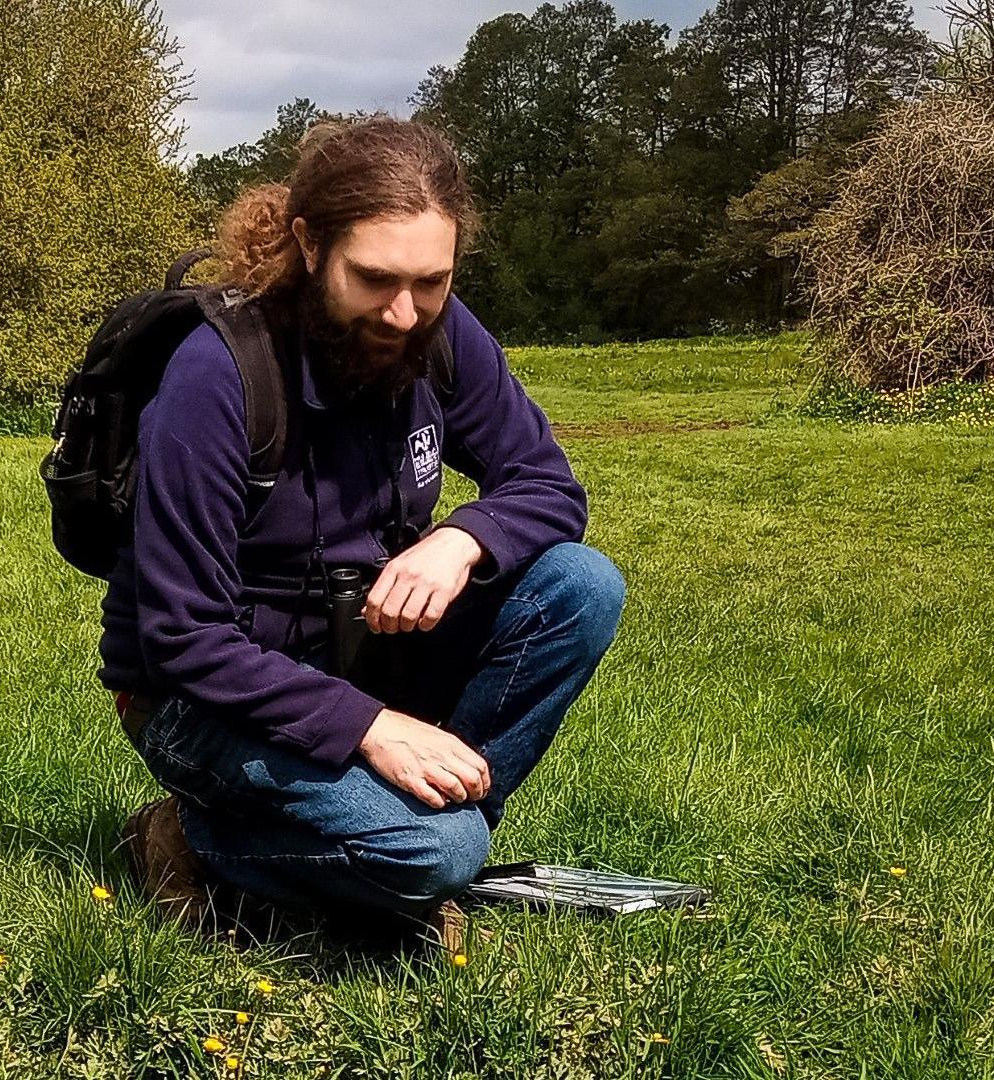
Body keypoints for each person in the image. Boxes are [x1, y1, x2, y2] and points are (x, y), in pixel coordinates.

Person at [98, 116, 626, 951]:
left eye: (434, 282)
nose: (404, 313)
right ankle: (190, 840)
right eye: (374, 278)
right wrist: (373, 728)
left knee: (581, 585)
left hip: (358, 656)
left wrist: (465, 537)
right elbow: (180, 640)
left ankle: (411, 858)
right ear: (310, 246)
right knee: (438, 851)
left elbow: (550, 485)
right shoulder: (216, 376)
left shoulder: (439, 335)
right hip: (198, 701)